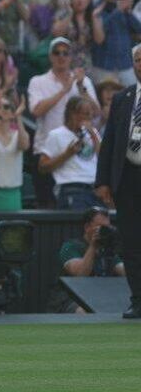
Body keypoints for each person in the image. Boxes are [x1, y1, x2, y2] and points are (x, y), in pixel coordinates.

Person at [95, 44, 141, 318]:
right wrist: (103, 181)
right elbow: (110, 140)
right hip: (127, 178)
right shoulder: (123, 98)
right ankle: (138, 300)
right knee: (132, 242)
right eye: (137, 59)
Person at [51, 207, 126, 313]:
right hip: (70, 298)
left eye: (107, 227)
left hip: (97, 298)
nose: (104, 231)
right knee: (83, 312)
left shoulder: (107, 250)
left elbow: (125, 271)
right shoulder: (71, 246)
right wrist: (93, 246)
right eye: (101, 227)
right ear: (87, 227)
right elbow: (80, 275)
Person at [39, 95, 103, 210]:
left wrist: (93, 135)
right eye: (86, 114)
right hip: (72, 188)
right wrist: (67, 154)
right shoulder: (56, 135)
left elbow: (103, 159)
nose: (89, 118)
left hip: (94, 189)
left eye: (91, 114)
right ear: (73, 114)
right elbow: (43, 166)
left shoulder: (93, 135)